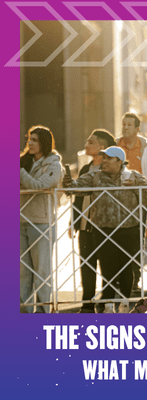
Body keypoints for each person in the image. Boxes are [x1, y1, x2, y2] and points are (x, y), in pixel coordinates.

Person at [63, 146, 147, 313]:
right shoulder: (95, 176)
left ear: (119, 161)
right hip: (103, 230)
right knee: (107, 269)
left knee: (127, 267)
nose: (103, 161)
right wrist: (68, 182)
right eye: (103, 157)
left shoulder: (133, 176)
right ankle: (108, 306)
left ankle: (124, 304)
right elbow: (75, 188)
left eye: (108, 158)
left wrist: (136, 186)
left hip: (129, 229)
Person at [71, 129, 116, 313]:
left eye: (91, 142)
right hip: (85, 224)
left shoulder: (110, 170)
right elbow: (78, 197)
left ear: (102, 147)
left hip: (105, 225)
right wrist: (74, 221)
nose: (86, 144)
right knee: (86, 263)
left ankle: (106, 302)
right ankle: (87, 304)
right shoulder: (85, 168)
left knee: (107, 265)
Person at [20, 126, 63, 313]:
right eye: (29, 139)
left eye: (35, 140)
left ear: (44, 143)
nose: (30, 142)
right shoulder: (23, 161)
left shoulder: (54, 164)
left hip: (41, 221)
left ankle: (45, 311)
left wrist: (19, 171)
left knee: (42, 270)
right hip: (19, 219)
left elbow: (39, 185)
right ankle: (25, 310)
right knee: (22, 271)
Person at [117, 112, 147, 292]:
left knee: (136, 241)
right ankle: (118, 280)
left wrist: (144, 186)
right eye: (124, 124)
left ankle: (134, 280)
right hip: (117, 201)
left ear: (137, 128)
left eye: (129, 124)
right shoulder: (115, 146)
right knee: (117, 241)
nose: (125, 127)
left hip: (139, 202)